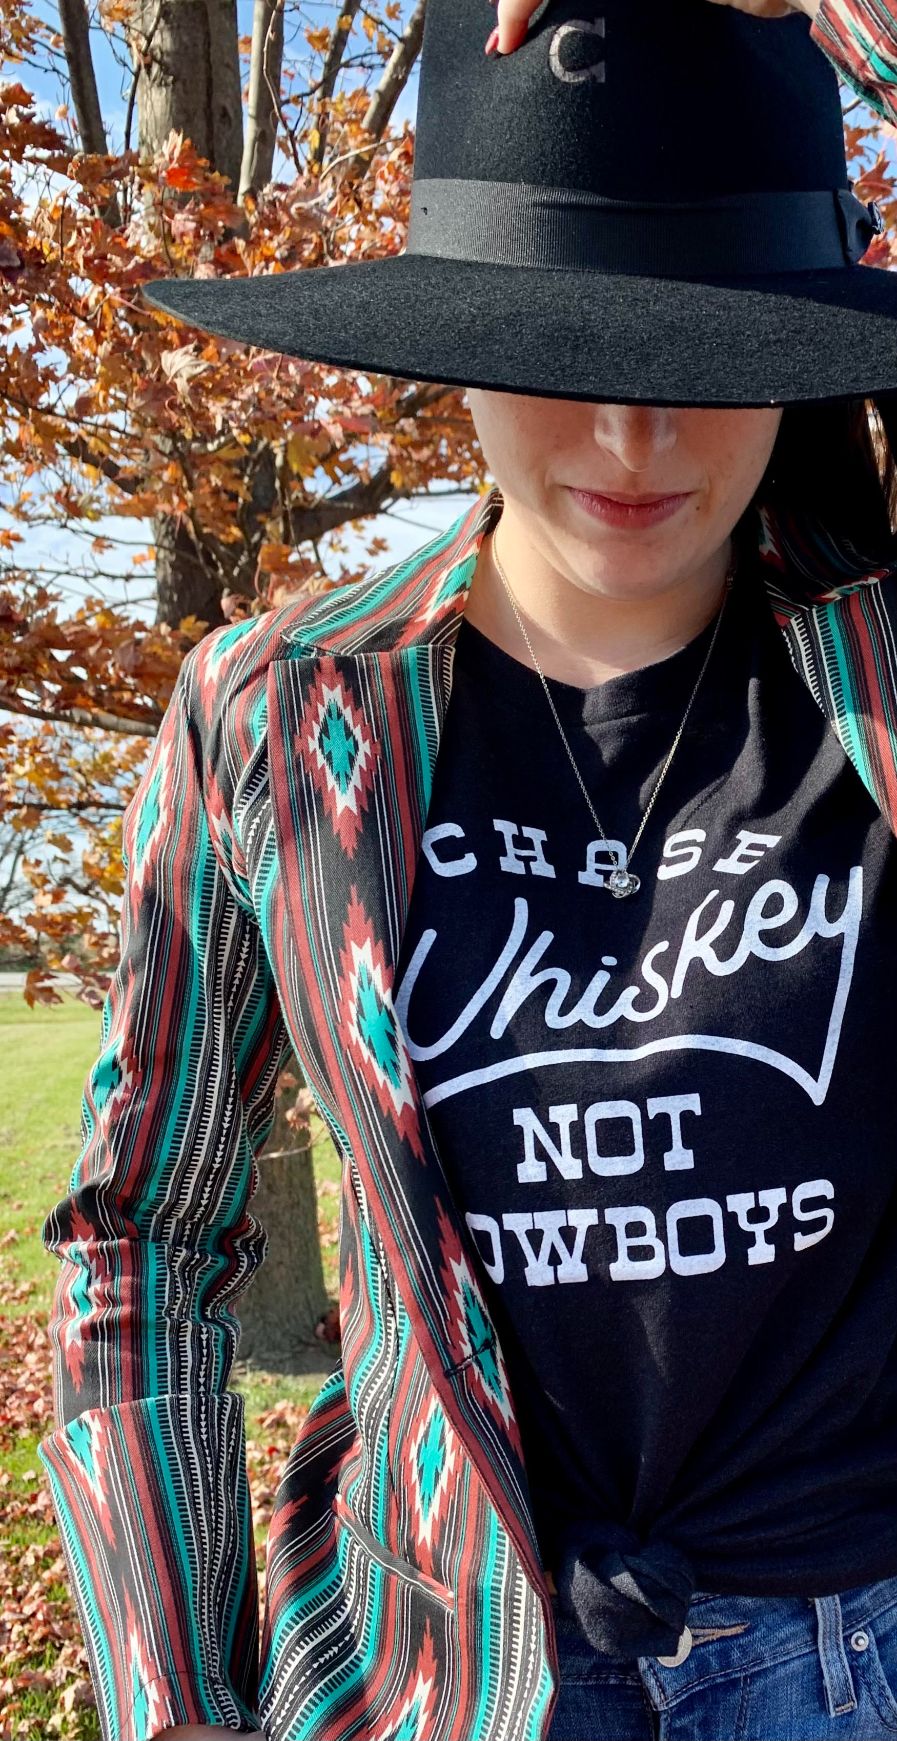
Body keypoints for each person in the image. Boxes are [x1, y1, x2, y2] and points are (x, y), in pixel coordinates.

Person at [35, 0, 897, 1735]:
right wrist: (171, 1693)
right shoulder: (279, 712)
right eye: (558, 346)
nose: (631, 438)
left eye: (703, 352)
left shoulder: (873, 660)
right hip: (442, 1669)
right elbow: (142, 1236)